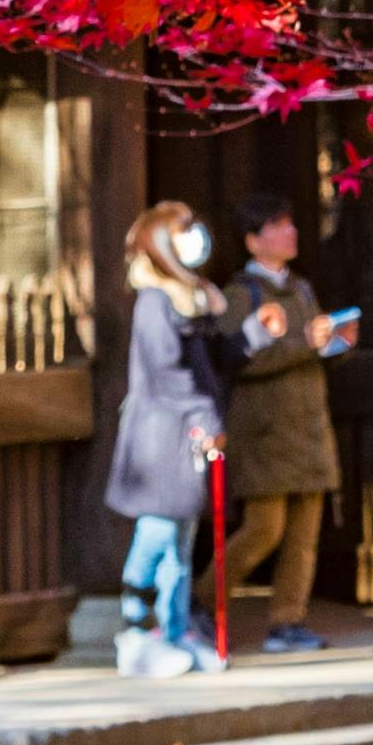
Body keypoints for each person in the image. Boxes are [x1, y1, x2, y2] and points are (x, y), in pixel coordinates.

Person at [105, 201, 238, 675]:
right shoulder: (155, 303)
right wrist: (207, 415)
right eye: (182, 233)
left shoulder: (190, 300)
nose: (193, 240)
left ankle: (175, 630)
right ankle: (136, 629)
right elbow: (168, 371)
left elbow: (213, 362)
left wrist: (252, 334)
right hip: (161, 436)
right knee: (158, 531)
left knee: (182, 541)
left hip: (188, 434)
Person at [221, 195, 348, 652]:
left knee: (303, 536)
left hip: (309, 425)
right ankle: (202, 602)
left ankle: (288, 620)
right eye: (278, 226)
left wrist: (334, 339)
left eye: (290, 223)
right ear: (254, 241)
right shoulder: (240, 294)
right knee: (263, 530)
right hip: (265, 430)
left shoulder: (303, 289)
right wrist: (306, 343)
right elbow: (240, 360)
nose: (291, 232)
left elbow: (308, 344)